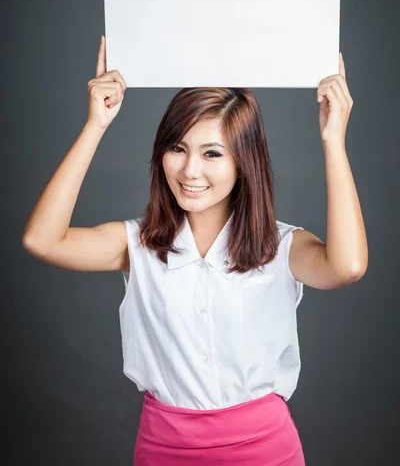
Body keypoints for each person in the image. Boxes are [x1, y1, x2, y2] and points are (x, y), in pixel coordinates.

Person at [22, 36, 368, 465]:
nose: (190, 170)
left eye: (212, 153)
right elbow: (41, 239)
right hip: (164, 448)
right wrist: (96, 125)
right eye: (177, 148)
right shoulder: (138, 243)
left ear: (244, 162)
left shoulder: (280, 247)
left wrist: (333, 142)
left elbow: (348, 267)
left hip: (264, 450)